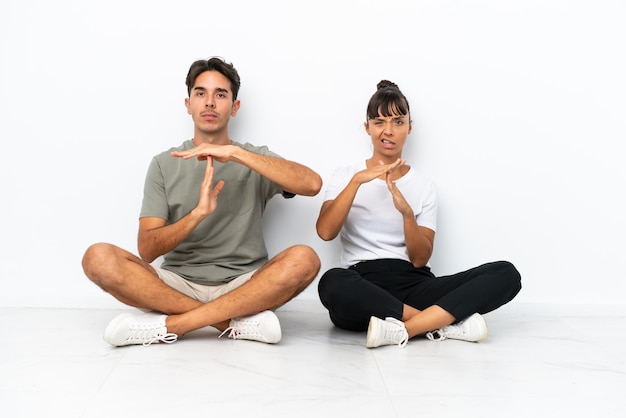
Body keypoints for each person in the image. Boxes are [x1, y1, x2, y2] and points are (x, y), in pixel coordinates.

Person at [82, 57, 322, 347]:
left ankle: (174, 325)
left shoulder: (255, 157)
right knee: (97, 258)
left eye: (220, 94)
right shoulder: (163, 163)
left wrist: (236, 153)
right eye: (201, 93)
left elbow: (312, 184)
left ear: (234, 107)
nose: (209, 102)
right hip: (176, 284)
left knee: (305, 259)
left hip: (244, 284)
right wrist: (197, 214)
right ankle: (231, 323)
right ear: (188, 104)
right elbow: (146, 250)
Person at [316, 80, 521, 349]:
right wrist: (356, 182)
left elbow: (420, 259)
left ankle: (407, 328)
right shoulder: (345, 175)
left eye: (398, 122)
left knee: (506, 274)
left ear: (410, 127)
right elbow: (325, 232)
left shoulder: (423, 186)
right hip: (365, 286)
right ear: (367, 127)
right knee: (332, 282)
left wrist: (407, 215)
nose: (388, 131)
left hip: (413, 285)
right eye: (379, 122)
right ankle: (439, 323)